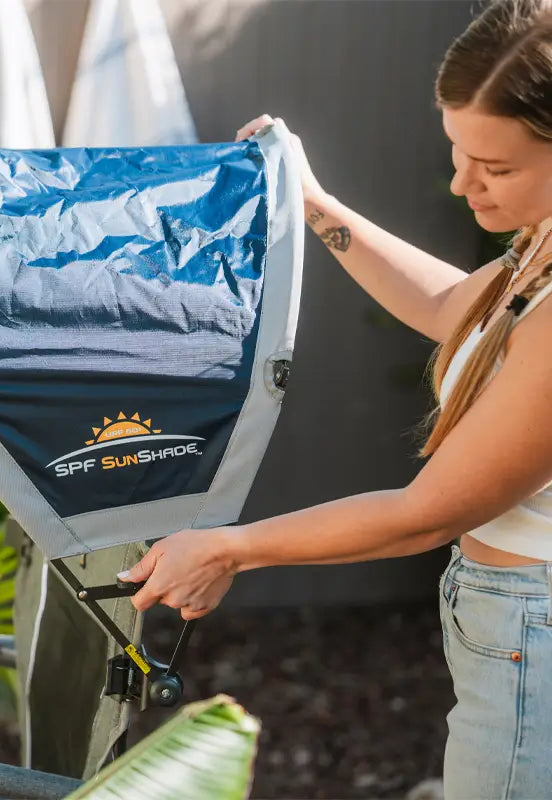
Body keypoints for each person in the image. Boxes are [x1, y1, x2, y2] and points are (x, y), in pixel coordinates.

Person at [120, 1, 552, 796]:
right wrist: (312, 202)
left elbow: (428, 513)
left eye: (495, 169)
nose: (462, 184)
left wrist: (230, 547)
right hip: (510, 621)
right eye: (456, 153)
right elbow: (456, 306)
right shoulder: (543, 247)